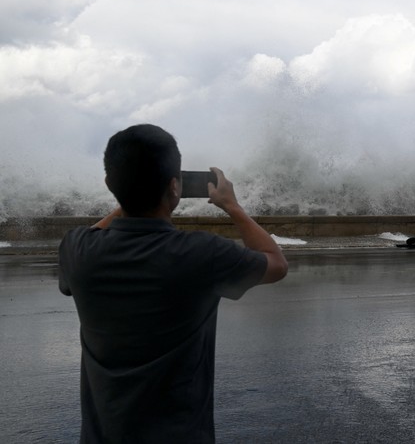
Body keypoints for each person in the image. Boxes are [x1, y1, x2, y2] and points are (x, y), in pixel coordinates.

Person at [58, 124, 289, 443]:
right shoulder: (202, 254)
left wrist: (128, 197)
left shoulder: (77, 249)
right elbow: (276, 263)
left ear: (110, 183)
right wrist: (231, 206)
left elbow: (97, 232)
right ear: (175, 187)